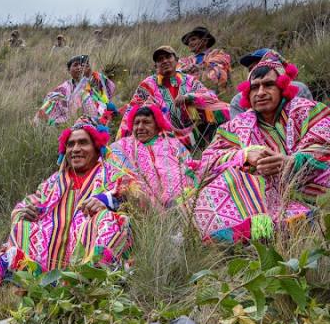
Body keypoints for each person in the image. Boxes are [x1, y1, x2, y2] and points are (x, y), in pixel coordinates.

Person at [194, 50, 330, 243]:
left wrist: (292, 162)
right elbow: (208, 162)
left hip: (311, 189)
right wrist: (245, 156)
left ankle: (303, 222)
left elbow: (324, 142)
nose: (260, 93)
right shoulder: (236, 126)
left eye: (268, 85)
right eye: (254, 87)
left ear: (282, 87)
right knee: (220, 183)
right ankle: (251, 231)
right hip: (265, 198)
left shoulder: (307, 110)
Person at [0, 118, 131, 285]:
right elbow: (29, 202)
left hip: (88, 247)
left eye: (83, 143)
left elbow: (138, 199)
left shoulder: (112, 174)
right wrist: (24, 212)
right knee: (23, 227)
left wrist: (109, 201)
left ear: (96, 147)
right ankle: (33, 278)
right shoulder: (54, 181)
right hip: (51, 257)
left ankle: (92, 276)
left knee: (108, 219)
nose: (75, 149)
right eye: (70, 144)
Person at [127, 46, 229, 151]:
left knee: (222, 109)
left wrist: (189, 97)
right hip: (163, 132)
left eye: (168, 57)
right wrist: (152, 108)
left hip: (193, 127)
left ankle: (212, 144)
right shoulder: (147, 84)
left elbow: (209, 96)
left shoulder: (189, 80)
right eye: (160, 59)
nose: (164, 61)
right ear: (156, 66)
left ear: (176, 60)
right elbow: (133, 111)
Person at [105, 105, 196, 210]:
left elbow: (189, 166)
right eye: (136, 123)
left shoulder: (172, 143)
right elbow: (112, 166)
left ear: (157, 125)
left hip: (183, 199)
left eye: (146, 122)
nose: (140, 127)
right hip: (146, 208)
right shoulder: (122, 147)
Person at [35, 55, 117, 126]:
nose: (79, 67)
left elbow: (109, 88)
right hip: (72, 116)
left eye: (82, 65)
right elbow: (55, 98)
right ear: (69, 70)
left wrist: (89, 74)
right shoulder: (64, 87)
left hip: (100, 115)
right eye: (75, 65)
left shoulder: (94, 79)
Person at [230, 48, 313, 118]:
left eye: (269, 85)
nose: (260, 93)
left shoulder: (298, 89)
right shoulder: (238, 101)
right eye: (251, 68)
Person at [177, 26, 233, 93]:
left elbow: (219, 64)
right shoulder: (187, 60)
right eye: (188, 42)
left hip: (218, 93)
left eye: (193, 39)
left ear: (205, 41)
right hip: (192, 94)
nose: (190, 43)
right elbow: (179, 70)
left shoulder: (217, 53)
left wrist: (198, 68)